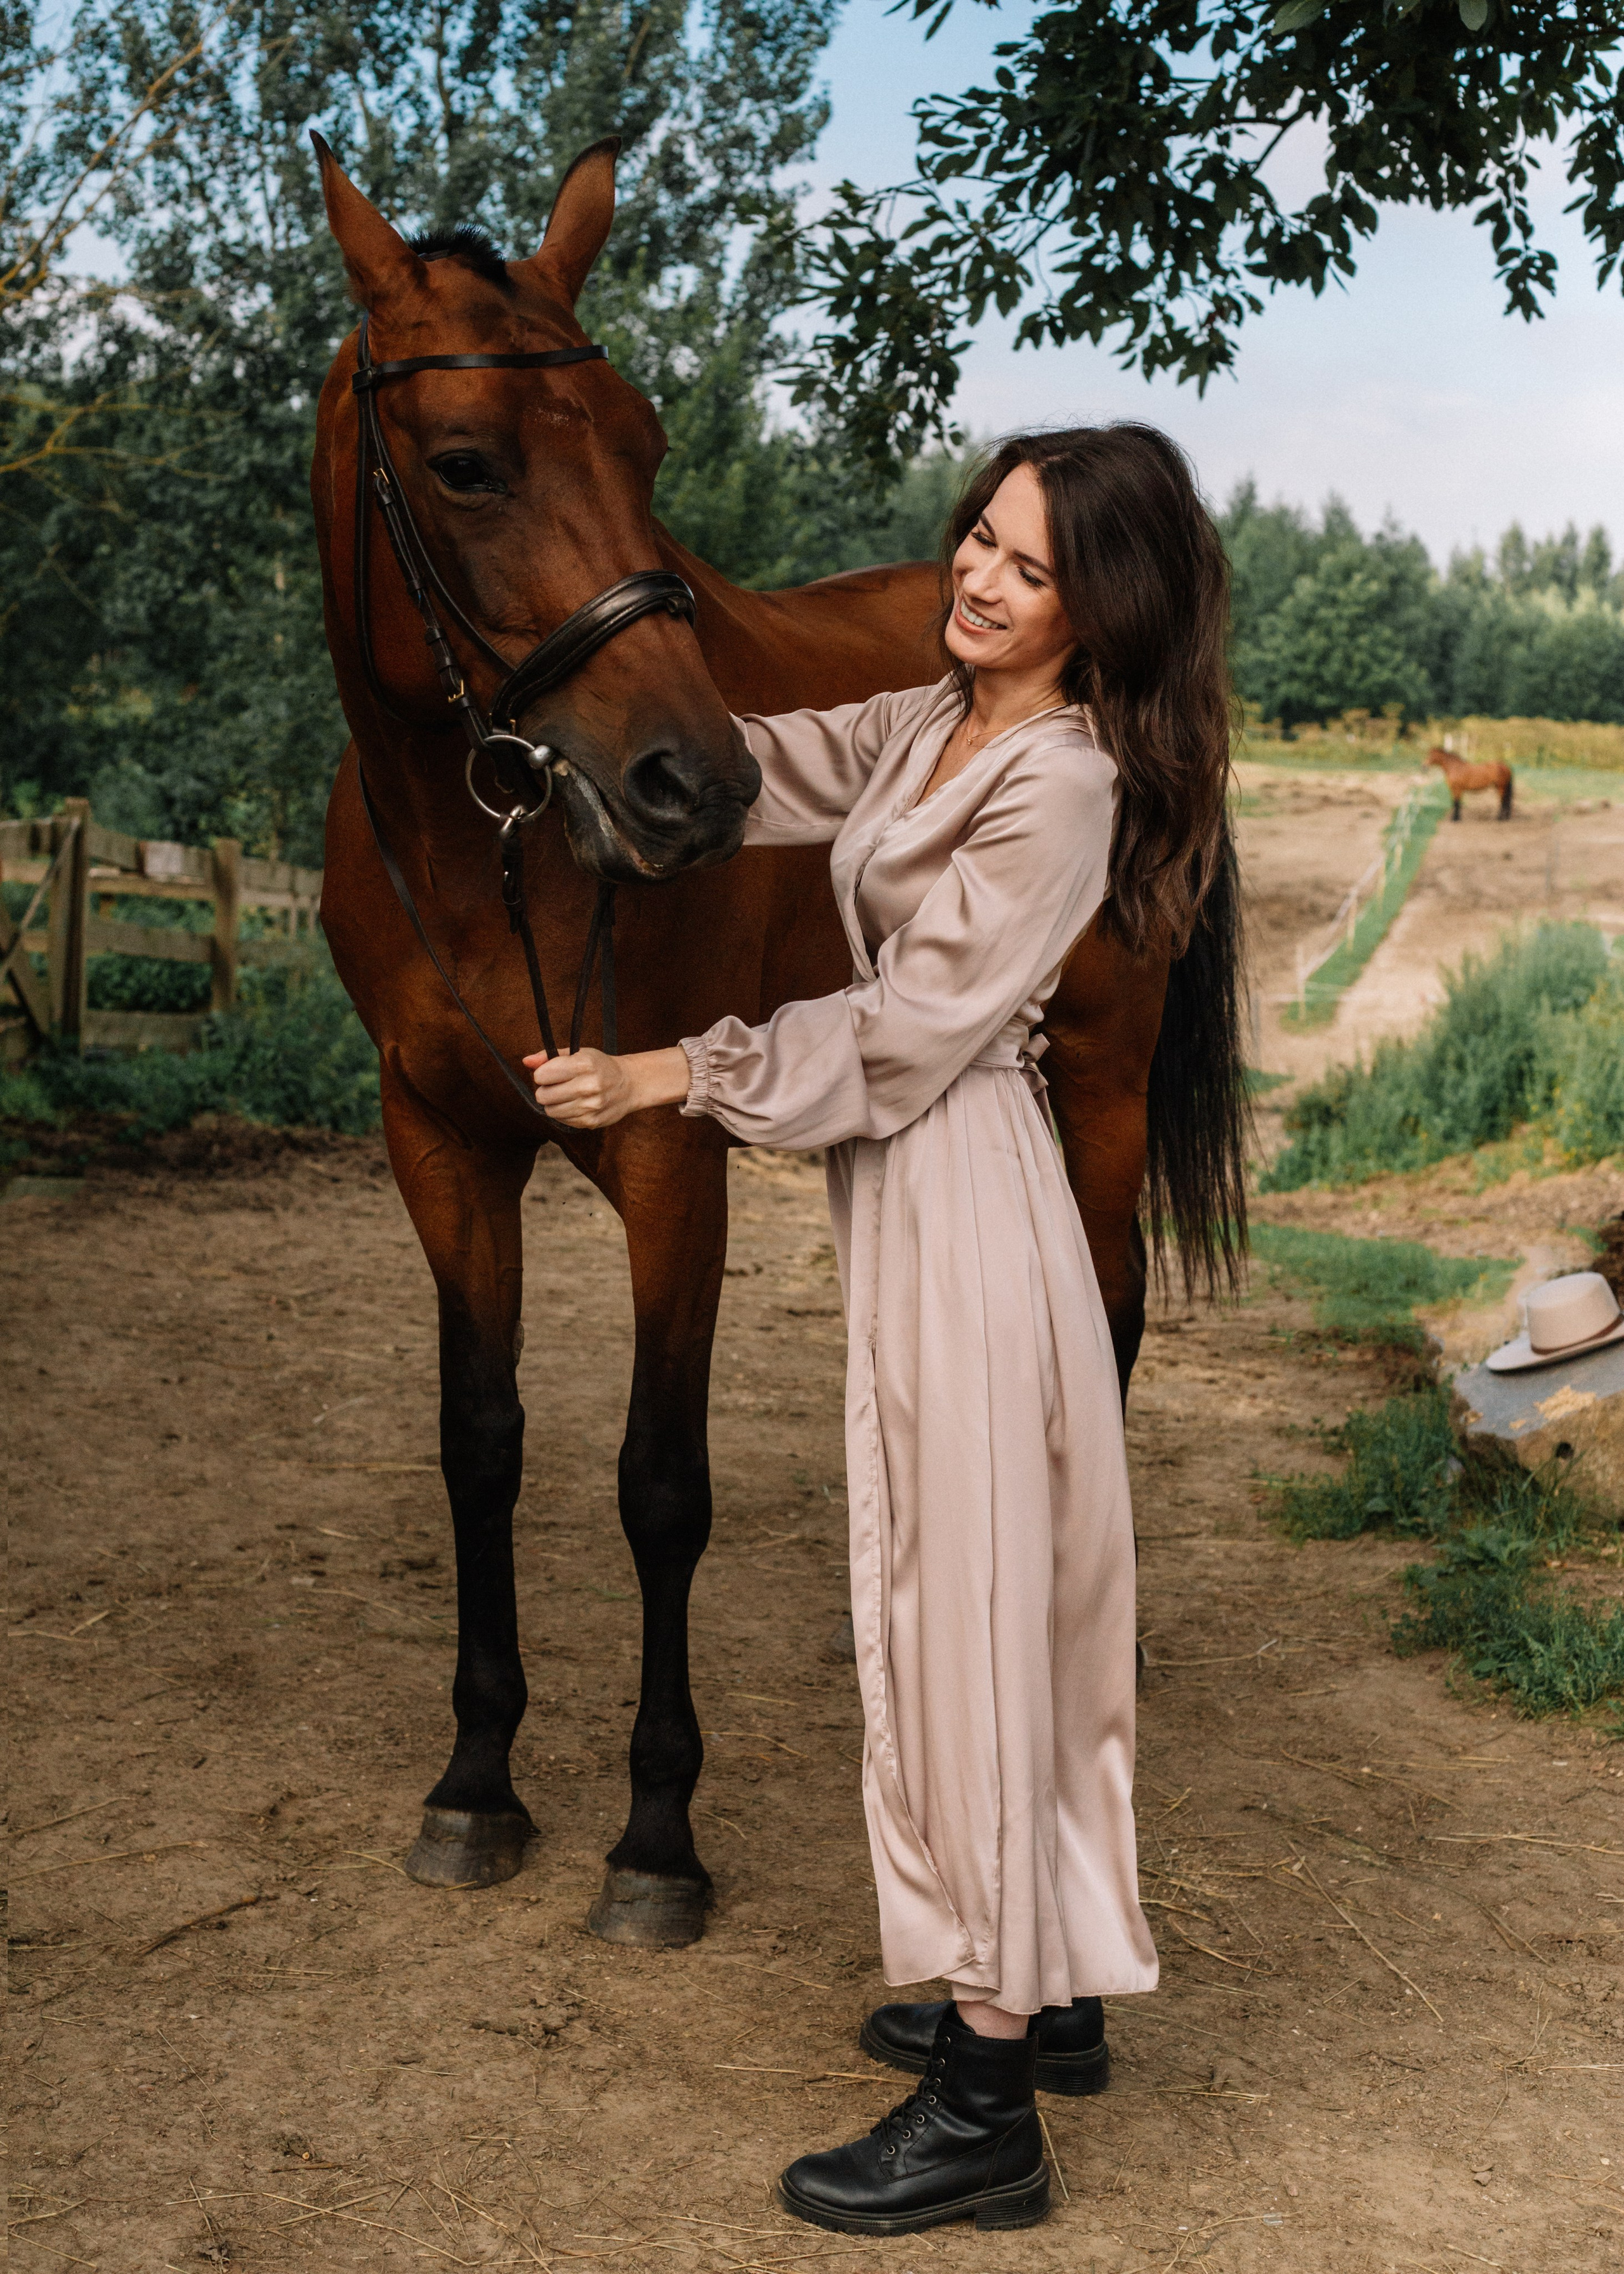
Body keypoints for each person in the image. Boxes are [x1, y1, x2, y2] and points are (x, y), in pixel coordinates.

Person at [527, 424, 1233, 2237]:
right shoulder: (936, 725)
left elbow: (908, 1035)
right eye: (976, 540)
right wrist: (576, 711)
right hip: (917, 1206)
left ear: (1107, 606)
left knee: (976, 1621)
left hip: (970, 1191)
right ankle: (1038, 1989)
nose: (979, 579)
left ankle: (985, 2105)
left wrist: (671, 1070)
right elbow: (765, 766)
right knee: (964, 1597)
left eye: (1029, 567)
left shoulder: (1061, 784)